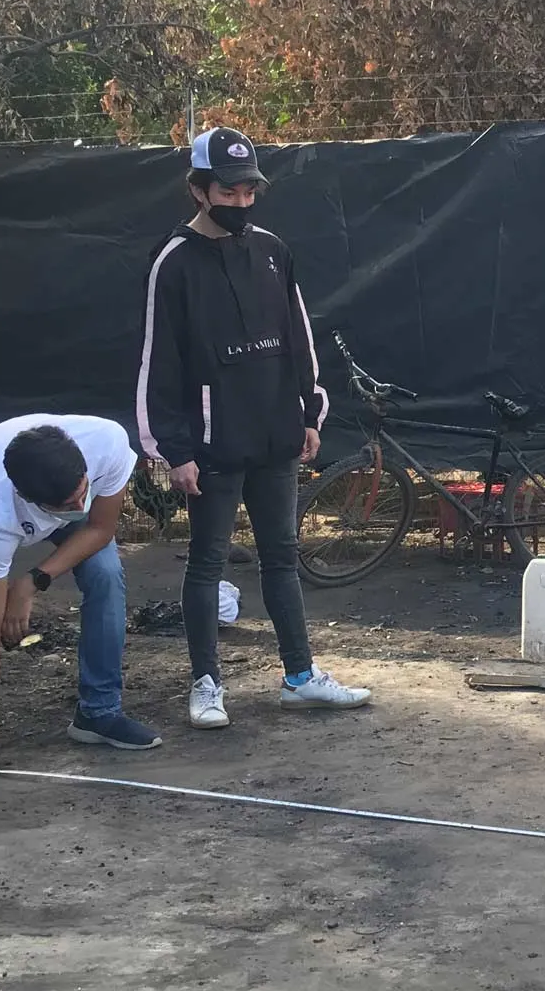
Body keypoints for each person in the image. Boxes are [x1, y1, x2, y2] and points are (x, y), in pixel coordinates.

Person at [137, 127, 372, 730]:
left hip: (276, 434)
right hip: (212, 444)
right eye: (229, 191)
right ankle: (206, 684)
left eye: (249, 191)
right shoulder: (174, 264)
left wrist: (308, 412)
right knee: (207, 561)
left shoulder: (272, 249)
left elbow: (299, 339)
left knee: (282, 556)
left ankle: (299, 676)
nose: (241, 203)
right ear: (197, 189)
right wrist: (174, 450)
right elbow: (157, 364)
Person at [0, 416, 160, 773]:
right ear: (29, 501)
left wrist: (31, 582)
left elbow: (101, 528)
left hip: (56, 488)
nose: (80, 506)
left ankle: (99, 712)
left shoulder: (109, 445)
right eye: (68, 505)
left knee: (105, 574)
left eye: (83, 492)